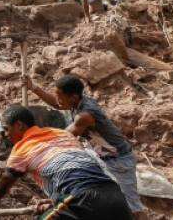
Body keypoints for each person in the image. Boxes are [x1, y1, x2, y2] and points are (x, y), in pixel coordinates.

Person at [0, 105, 132, 219]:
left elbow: (1, 188)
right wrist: (57, 200)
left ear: (19, 125)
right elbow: (74, 169)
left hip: (83, 198)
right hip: (116, 197)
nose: (6, 135)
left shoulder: (22, 149)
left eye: (7, 129)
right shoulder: (61, 134)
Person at [22, 75, 145, 220]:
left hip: (119, 161)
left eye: (60, 96)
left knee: (133, 209)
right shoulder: (75, 102)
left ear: (73, 97)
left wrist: (32, 141)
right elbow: (57, 104)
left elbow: (64, 137)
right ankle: (62, 200)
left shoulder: (86, 114)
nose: (59, 100)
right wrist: (34, 88)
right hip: (97, 156)